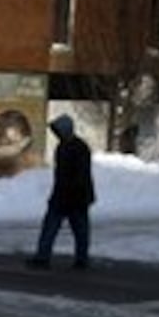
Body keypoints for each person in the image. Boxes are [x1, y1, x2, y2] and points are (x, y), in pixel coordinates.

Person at [27, 114, 95, 270]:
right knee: (78, 230)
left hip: (72, 196)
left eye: (57, 131)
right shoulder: (72, 147)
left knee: (58, 227)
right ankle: (79, 259)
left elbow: (77, 175)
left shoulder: (74, 148)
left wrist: (65, 194)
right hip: (72, 195)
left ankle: (45, 257)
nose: (55, 134)